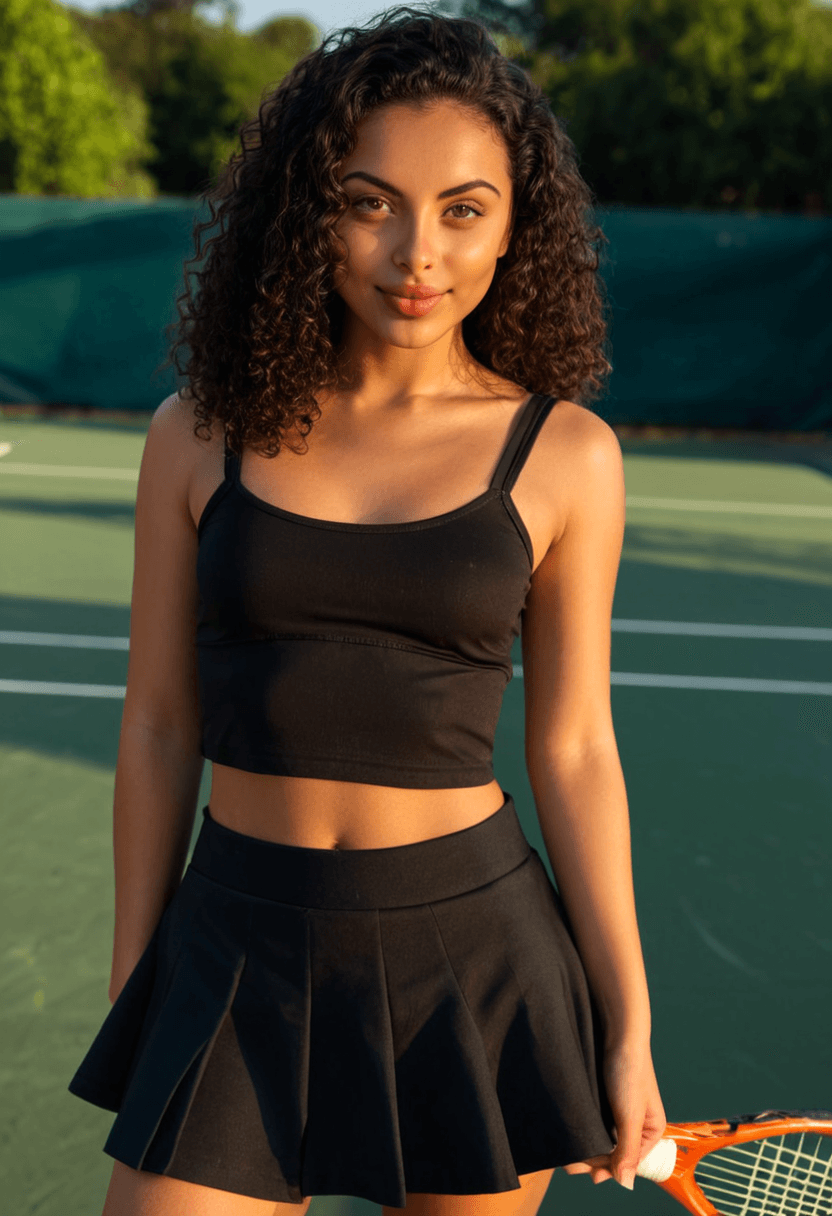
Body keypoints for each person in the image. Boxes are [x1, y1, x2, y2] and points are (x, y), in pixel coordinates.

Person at [68, 8, 667, 1215]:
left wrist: (627, 1021)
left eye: (462, 208)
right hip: (232, 940)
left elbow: (575, 746)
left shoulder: (567, 456)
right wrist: (139, 976)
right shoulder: (197, 433)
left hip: (475, 960)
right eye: (368, 199)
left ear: (514, 228)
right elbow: (157, 723)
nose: (415, 253)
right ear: (309, 213)